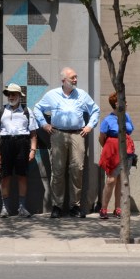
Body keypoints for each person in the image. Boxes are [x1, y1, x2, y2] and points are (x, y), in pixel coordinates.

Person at [33, 67, 100, 219]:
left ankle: (74, 206)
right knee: (57, 171)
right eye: (72, 78)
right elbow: (37, 108)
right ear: (64, 81)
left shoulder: (82, 95)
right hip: (58, 135)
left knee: (78, 170)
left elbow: (95, 110)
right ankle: (57, 206)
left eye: (76, 77)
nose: (75, 80)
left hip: (78, 135)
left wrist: (90, 126)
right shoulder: (52, 95)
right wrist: (44, 124)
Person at [0, 83, 38, 218]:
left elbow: (33, 133)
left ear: (19, 96)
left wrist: (33, 150)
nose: (11, 97)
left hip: (22, 144)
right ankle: (5, 208)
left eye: (14, 94)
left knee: (22, 176)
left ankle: (22, 207)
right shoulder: (0, 111)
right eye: (9, 94)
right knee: (5, 176)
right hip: (5, 143)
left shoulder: (27, 111)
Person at [98, 92, 136, 219]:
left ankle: (118, 208)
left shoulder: (127, 116)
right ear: (116, 103)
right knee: (111, 180)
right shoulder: (107, 120)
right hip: (113, 151)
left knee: (121, 179)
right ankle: (103, 208)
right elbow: (101, 138)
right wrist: (108, 148)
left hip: (126, 150)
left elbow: (130, 130)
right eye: (124, 101)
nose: (127, 104)